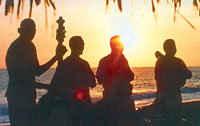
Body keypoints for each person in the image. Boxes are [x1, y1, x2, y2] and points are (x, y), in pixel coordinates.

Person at [5, 18, 67, 126]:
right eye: (28, 31)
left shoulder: (31, 46)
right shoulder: (15, 49)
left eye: (33, 31)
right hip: (17, 97)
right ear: (20, 31)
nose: (31, 34)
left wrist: (56, 57)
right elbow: (21, 80)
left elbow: (37, 71)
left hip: (29, 96)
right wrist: (47, 86)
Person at [48, 36, 96, 125]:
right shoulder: (83, 64)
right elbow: (93, 83)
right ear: (76, 46)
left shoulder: (64, 64)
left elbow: (53, 86)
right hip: (82, 106)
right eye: (82, 44)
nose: (83, 47)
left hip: (68, 107)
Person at [95, 35, 135, 126]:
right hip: (111, 99)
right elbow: (100, 79)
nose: (122, 47)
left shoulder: (123, 60)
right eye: (120, 44)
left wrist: (124, 72)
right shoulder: (105, 61)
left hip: (124, 99)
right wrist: (113, 71)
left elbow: (131, 76)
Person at [154, 39, 192, 124]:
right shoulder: (161, 62)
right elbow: (159, 77)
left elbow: (188, 74)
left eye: (174, 47)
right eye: (171, 47)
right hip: (165, 96)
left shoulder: (177, 61)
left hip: (174, 95)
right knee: (166, 120)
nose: (174, 49)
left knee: (175, 119)